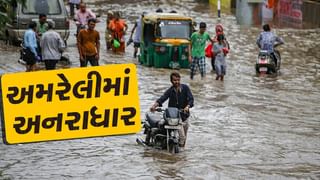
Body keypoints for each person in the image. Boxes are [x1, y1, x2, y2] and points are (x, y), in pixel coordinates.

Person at [150, 72, 194, 148]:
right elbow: (162, 98)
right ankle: (177, 152)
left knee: (184, 137)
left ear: (180, 80)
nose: (176, 82)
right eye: (174, 80)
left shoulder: (185, 88)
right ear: (171, 81)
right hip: (174, 116)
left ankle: (181, 152)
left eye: (178, 80)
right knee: (182, 137)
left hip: (185, 115)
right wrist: (154, 106)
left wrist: (187, 106)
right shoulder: (170, 90)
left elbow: (191, 99)